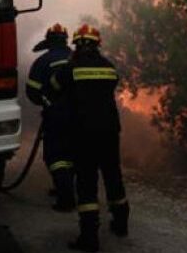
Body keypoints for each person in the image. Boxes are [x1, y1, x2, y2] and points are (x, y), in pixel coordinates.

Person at [55, 24, 129, 252]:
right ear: (97, 45)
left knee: (87, 183)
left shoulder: (70, 68)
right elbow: (112, 84)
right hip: (108, 132)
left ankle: (89, 238)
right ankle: (121, 224)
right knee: (113, 175)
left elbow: (53, 88)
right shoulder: (109, 67)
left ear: (76, 45)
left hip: (83, 133)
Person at [25, 23, 76, 211]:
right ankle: (66, 187)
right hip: (80, 116)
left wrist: (46, 102)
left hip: (56, 117)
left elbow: (32, 92)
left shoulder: (42, 61)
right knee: (72, 154)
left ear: (49, 41)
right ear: (65, 40)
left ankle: (66, 198)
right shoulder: (76, 58)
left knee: (55, 156)